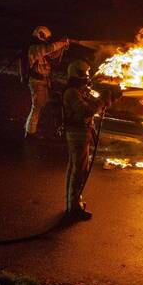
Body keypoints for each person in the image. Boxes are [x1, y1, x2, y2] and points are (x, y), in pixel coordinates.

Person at [61, 60, 117, 220]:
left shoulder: (78, 90)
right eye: (84, 76)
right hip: (77, 134)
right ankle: (73, 208)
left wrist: (106, 99)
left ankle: (73, 203)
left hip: (81, 133)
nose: (86, 79)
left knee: (76, 169)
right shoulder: (71, 93)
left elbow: (92, 105)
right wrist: (101, 101)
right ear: (76, 76)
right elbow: (86, 110)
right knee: (78, 171)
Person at [22, 26, 72, 139]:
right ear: (41, 35)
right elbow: (50, 48)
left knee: (41, 105)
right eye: (47, 37)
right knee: (37, 106)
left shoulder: (39, 47)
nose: (48, 40)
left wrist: (63, 46)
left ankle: (29, 128)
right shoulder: (34, 48)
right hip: (36, 81)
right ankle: (30, 134)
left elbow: (53, 54)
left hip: (43, 81)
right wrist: (62, 42)